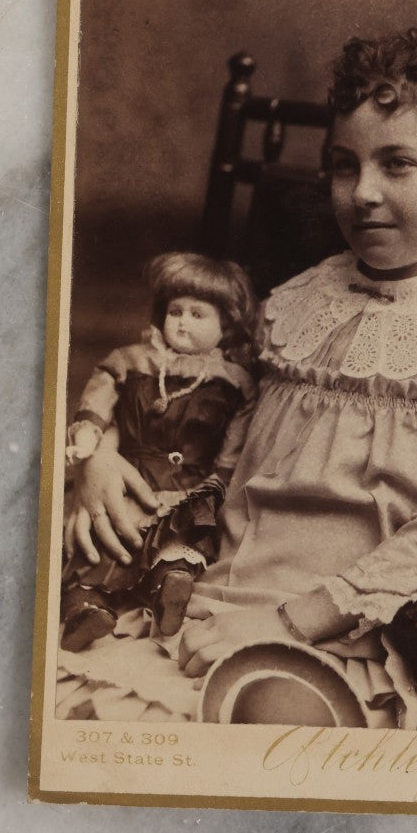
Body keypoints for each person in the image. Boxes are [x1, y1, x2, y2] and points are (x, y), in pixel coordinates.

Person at [63, 28, 417, 727]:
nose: (363, 192)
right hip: (203, 590)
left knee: (263, 723)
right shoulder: (292, 304)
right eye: (344, 165)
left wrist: (291, 623)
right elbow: (183, 409)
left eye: (397, 165)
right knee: (65, 702)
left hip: (344, 626)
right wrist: (97, 455)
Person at [60, 252, 257, 650]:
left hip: (191, 486)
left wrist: (220, 486)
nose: (182, 321)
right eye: (175, 311)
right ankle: (87, 606)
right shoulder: (132, 360)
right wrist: (89, 436)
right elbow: (100, 394)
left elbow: (235, 445)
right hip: (130, 476)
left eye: (197, 314)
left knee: (181, 544)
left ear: (227, 326)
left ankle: (170, 588)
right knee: (106, 541)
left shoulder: (234, 382)